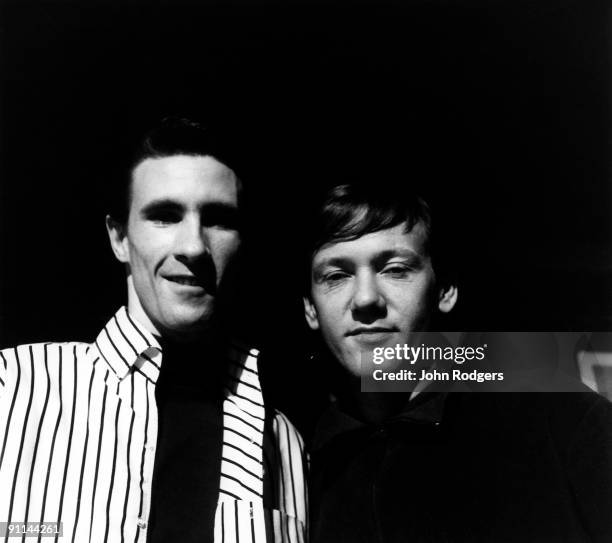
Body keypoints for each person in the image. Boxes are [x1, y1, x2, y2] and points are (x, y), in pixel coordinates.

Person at [0, 117, 307, 543]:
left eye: (218, 219)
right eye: (165, 216)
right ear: (119, 238)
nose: (194, 246)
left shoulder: (283, 441)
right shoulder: (13, 386)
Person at [303, 182, 612, 542]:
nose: (366, 299)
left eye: (395, 269)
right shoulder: (304, 459)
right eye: (337, 276)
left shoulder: (555, 417)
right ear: (310, 308)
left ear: (445, 290)